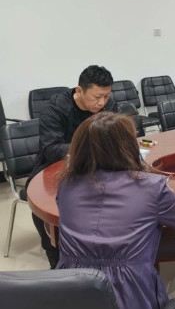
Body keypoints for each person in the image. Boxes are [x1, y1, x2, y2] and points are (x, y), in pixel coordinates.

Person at [56, 112, 175, 309]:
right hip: (129, 294)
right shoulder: (151, 187)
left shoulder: (66, 185)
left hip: (70, 292)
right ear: (128, 147)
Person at [28, 65, 119, 268]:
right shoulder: (55, 109)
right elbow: (51, 149)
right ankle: (55, 258)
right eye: (97, 97)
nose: (102, 103)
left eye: (106, 96)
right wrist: (91, 146)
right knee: (48, 207)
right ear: (79, 90)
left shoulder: (109, 105)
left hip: (96, 166)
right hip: (53, 169)